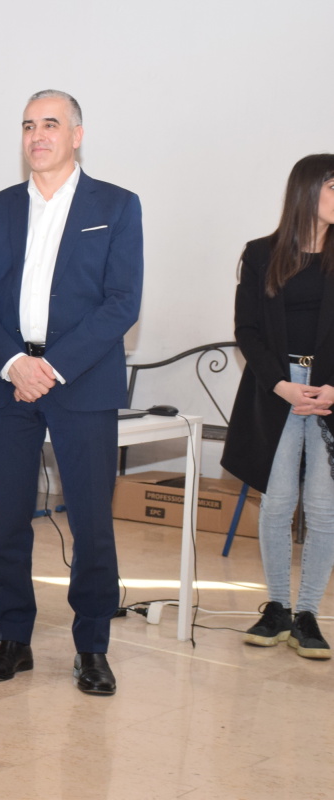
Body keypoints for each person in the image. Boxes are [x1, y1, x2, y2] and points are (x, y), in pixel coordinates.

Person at [0, 90, 143, 694]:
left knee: (90, 523)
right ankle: (13, 638)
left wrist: (52, 367)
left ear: (77, 135)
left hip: (81, 381)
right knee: (8, 519)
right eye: (28, 125)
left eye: (51, 124)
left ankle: (92, 647)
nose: (37, 135)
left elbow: (122, 302)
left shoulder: (116, 205)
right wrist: (15, 362)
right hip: (6, 379)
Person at [222, 154, 334, 660]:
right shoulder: (261, 253)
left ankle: (308, 613)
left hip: (329, 391)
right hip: (278, 388)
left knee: (323, 506)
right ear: (308, 190)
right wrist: (282, 385)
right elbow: (246, 329)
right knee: (278, 500)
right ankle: (277, 608)